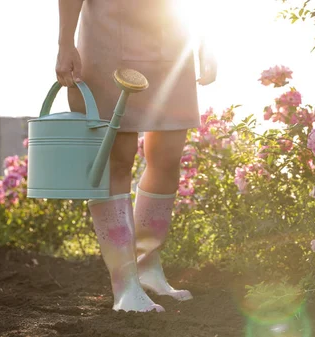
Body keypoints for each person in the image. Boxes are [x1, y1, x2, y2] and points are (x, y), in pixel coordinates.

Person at [54, 0, 217, 313]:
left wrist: (205, 40)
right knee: (118, 156)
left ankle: (147, 267)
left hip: (173, 33)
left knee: (168, 153)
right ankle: (125, 284)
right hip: (109, 27)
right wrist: (65, 41)